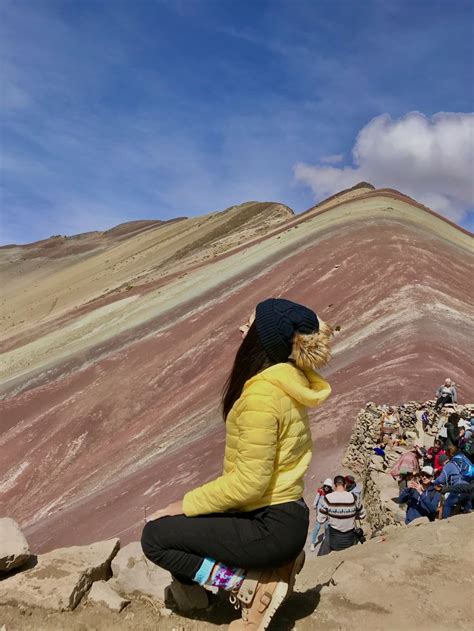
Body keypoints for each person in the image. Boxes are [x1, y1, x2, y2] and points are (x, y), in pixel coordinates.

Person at [141, 298, 333, 630]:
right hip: (286, 515)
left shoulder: (261, 397)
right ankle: (267, 569)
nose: (241, 329)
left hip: (270, 524)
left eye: (249, 324)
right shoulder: (286, 383)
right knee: (191, 520)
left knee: (156, 537)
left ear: (262, 339)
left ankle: (247, 586)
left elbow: (250, 483)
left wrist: (181, 504)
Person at [316, 475, 366, 556]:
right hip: (350, 538)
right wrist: (351, 515)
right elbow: (363, 515)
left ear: (335, 486)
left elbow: (320, 520)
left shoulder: (328, 498)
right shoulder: (354, 497)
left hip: (334, 540)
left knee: (327, 533)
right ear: (345, 485)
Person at [432, 447, 469, 518]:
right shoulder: (456, 464)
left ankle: (446, 522)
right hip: (467, 485)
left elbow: (441, 480)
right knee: (466, 503)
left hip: (458, 486)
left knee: (447, 504)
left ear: (442, 462)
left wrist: (434, 481)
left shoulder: (448, 466)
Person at [309, 478, 333, 551]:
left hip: (327, 512)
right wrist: (314, 504)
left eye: (328, 487)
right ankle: (313, 543)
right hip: (320, 511)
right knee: (317, 527)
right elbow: (317, 498)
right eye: (326, 486)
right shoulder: (320, 491)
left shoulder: (331, 493)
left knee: (326, 527)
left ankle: (325, 540)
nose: (326, 488)